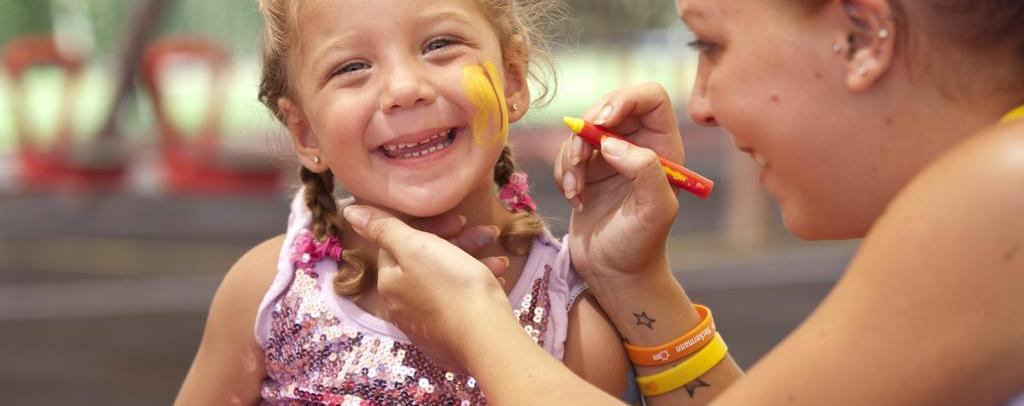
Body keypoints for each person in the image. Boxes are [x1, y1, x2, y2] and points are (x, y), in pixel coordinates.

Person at [340, 0, 1024, 404]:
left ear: (863, 36)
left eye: (711, 44)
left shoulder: (1003, 190)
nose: (700, 105)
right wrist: (631, 278)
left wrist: (473, 321)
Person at [173, 0, 639, 404]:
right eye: (351, 67)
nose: (404, 90)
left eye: (439, 45)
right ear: (306, 132)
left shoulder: (572, 325)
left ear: (512, 80)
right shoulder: (263, 294)